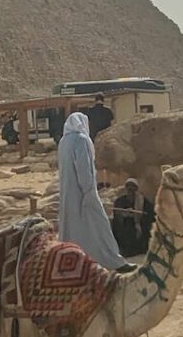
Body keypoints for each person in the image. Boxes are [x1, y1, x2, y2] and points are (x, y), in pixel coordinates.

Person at [57, 113, 134, 273]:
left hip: (67, 195)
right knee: (100, 226)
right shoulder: (81, 140)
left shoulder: (64, 142)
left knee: (74, 230)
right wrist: (89, 192)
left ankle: (74, 262)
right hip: (84, 194)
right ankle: (113, 261)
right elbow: (84, 171)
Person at [111, 178, 155, 257]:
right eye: (128, 187)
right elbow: (116, 214)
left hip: (138, 227)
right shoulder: (120, 201)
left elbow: (150, 215)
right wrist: (123, 214)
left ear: (136, 189)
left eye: (133, 187)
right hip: (125, 227)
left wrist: (136, 215)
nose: (130, 190)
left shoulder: (143, 201)